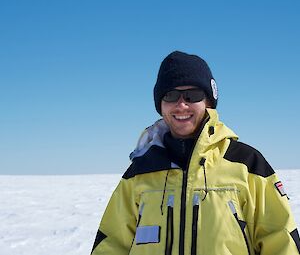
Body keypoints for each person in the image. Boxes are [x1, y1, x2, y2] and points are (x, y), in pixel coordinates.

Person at [91, 51, 300, 255]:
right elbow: (112, 243)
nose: (181, 104)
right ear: (161, 105)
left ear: (209, 102)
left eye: (193, 95)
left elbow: (280, 241)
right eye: (171, 95)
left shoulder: (248, 164)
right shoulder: (139, 172)